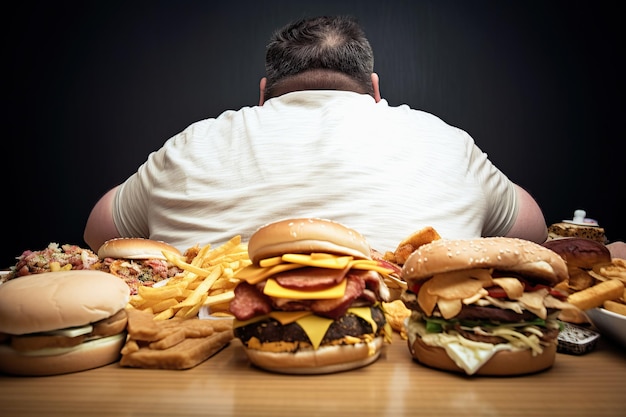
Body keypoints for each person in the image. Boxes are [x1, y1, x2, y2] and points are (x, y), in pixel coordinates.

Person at [83, 15, 548, 255]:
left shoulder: (191, 141)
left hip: (205, 371)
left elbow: (97, 232)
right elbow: (534, 232)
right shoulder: (444, 139)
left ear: (264, 94)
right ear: (375, 90)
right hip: (414, 370)